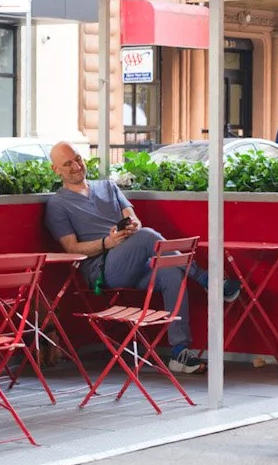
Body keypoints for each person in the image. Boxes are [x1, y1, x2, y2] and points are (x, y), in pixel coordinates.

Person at [42, 141, 234, 376]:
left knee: (171, 272)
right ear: (55, 170)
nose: (76, 166)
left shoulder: (108, 186)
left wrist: (132, 226)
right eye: (67, 164)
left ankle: (180, 352)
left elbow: (134, 219)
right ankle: (207, 280)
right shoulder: (57, 204)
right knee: (146, 236)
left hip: (135, 261)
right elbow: (71, 248)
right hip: (103, 269)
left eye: (78, 159)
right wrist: (108, 242)